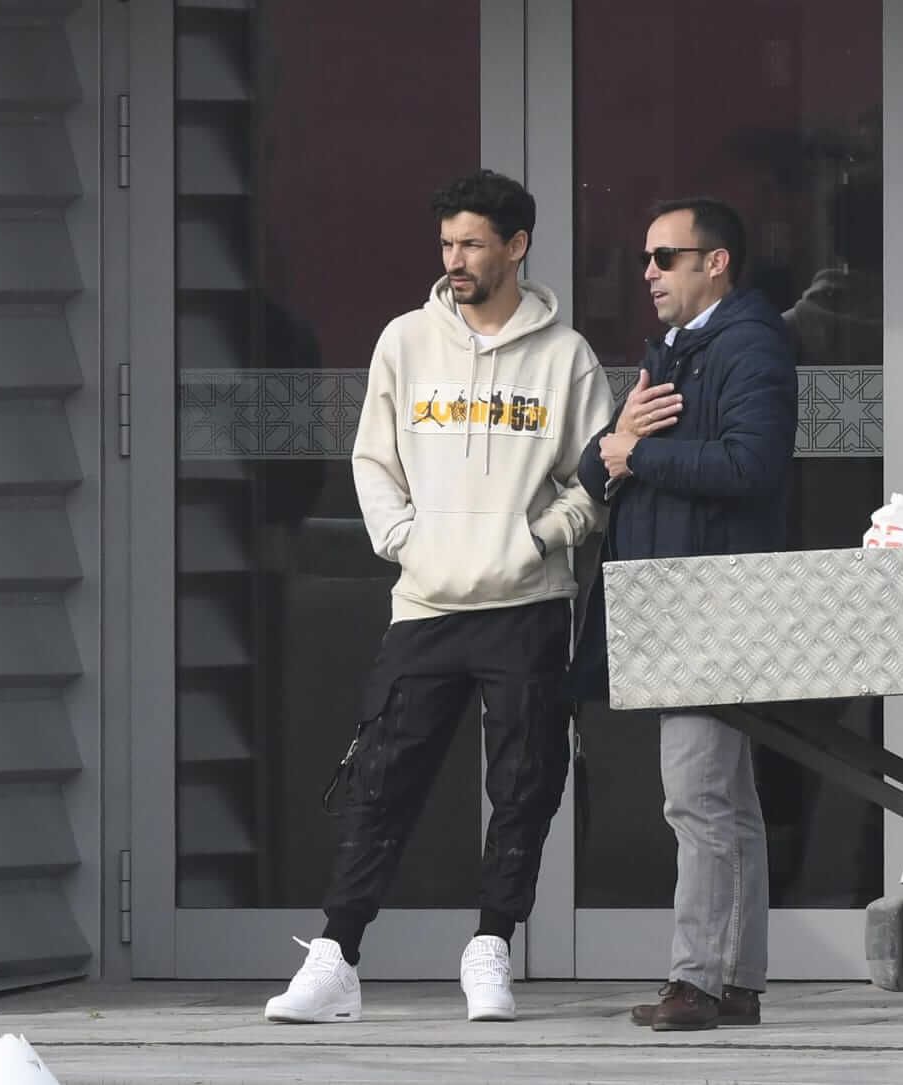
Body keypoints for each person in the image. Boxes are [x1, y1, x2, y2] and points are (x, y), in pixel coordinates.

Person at [264, 170, 613, 1024]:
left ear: (516, 246)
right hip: (424, 606)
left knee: (527, 783)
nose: (454, 260)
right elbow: (372, 464)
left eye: (471, 244)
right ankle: (337, 956)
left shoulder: (566, 358)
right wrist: (407, 542)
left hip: (527, 604)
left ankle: (491, 945)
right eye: (447, 244)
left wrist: (537, 537)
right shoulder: (405, 342)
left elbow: (597, 479)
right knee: (382, 780)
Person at [578, 198, 798, 1031]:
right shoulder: (670, 355)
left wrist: (641, 452)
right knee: (724, 800)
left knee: (697, 797)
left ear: (716, 263)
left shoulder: (749, 344)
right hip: (668, 606)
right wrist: (622, 440)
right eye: (646, 258)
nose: (647, 273)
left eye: (665, 257)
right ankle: (736, 980)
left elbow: (754, 463)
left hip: (713, 600)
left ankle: (697, 981)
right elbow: (601, 468)